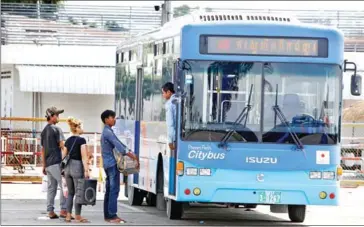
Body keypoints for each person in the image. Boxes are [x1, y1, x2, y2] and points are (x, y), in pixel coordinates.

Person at [100, 110, 139, 223]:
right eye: (112, 117)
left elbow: (119, 144)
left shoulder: (107, 131)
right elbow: (120, 146)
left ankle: (108, 215)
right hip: (111, 164)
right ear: (106, 119)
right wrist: (133, 156)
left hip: (107, 164)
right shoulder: (108, 132)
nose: (114, 119)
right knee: (114, 190)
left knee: (109, 190)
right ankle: (112, 215)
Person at [41, 106, 67, 219]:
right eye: (57, 115)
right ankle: (63, 210)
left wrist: (44, 165)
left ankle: (50, 211)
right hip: (56, 162)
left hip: (48, 164)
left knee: (52, 188)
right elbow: (63, 146)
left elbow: (42, 149)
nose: (58, 117)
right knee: (64, 186)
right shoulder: (57, 129)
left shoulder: (43, 131)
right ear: (51, 116)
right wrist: (66, 160)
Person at [63, 117, 90, 223]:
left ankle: (68, 216)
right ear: (77, 128)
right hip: (77, 167)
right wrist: (87, 170)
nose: (83, 128)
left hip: (67, 168)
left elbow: (63, 156)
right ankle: (78, 216)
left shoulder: (68, 140)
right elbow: (84, 156)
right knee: (79, 192)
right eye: (82, 126)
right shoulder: (81, 140)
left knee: (70, 193)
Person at [161, 82, 177, 151]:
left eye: (163, 93)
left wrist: (170, 141)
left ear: (169, 92)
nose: (163, 95)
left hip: (175, 138)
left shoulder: (169, 104)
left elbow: (170, 124)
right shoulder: (179, 100)